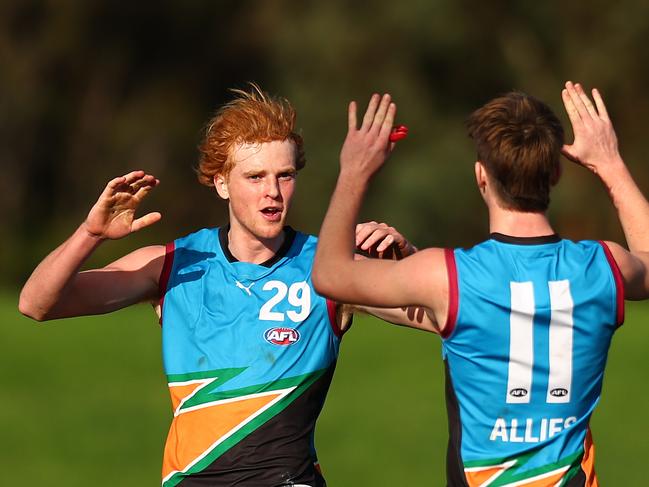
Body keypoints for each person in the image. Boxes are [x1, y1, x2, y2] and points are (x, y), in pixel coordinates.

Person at [18, 84, 417, 486]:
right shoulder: (173, 264)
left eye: (285, 176)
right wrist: (91, 234)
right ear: (221, 183)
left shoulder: (328, 269)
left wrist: (407, 261)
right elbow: (37, 303)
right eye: (255, 176)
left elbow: (440, 312)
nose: (273, 192)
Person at [312, 82, 649, 486]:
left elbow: (330, 275)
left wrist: (354, 171)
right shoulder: (603, 268)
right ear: (556, 172)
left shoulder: (447, 277)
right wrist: (610, 164)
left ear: (481, 176)